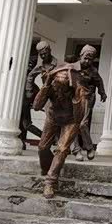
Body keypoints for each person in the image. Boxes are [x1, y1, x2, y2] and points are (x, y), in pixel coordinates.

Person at [34, 58, 89, 199]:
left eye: (62, 88)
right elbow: (36, 106)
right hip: (53, 116)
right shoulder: (51, 86)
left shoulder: (77, 89)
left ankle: (50, 182)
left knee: (62, 149)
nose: (59, 90)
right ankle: (48, 169)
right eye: (56, 86)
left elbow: (79, 116)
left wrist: (77, 96)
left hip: (71, 120)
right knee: (42, 147)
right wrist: (46, 86)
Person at [71, 45, 106, 162]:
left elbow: (99, 81)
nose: (87, 61)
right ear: (80, 55)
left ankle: (89, 148)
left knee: (82, 124)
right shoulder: (73, 67)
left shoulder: (93, 71)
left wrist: (102, 93)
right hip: (73, 97)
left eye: (90, 59)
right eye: (85, 58)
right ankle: (76, 150)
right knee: (73, 124)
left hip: (87, 97)